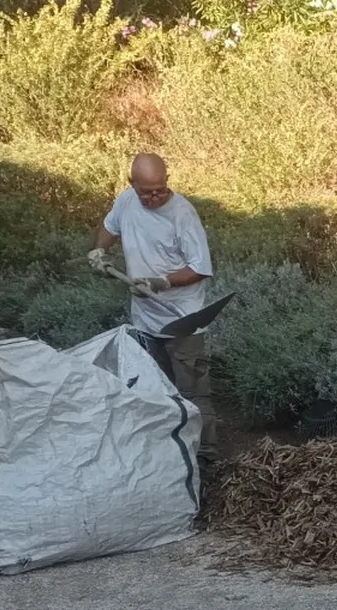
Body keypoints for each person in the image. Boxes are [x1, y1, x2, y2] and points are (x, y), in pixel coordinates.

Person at [88, 153, 219, 462]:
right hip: (145, 320)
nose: (155, 197)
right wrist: (99, 250)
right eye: (147, 192)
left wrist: (161, 282)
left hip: (182, 320)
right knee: (155, 387)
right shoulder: (126, 201)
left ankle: (206, 454)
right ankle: (169, 451)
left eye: (160, 189)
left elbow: (200, 267)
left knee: (192, 391)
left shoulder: (182, 214)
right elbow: (109, 226)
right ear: (132, 183)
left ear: (167, 181)